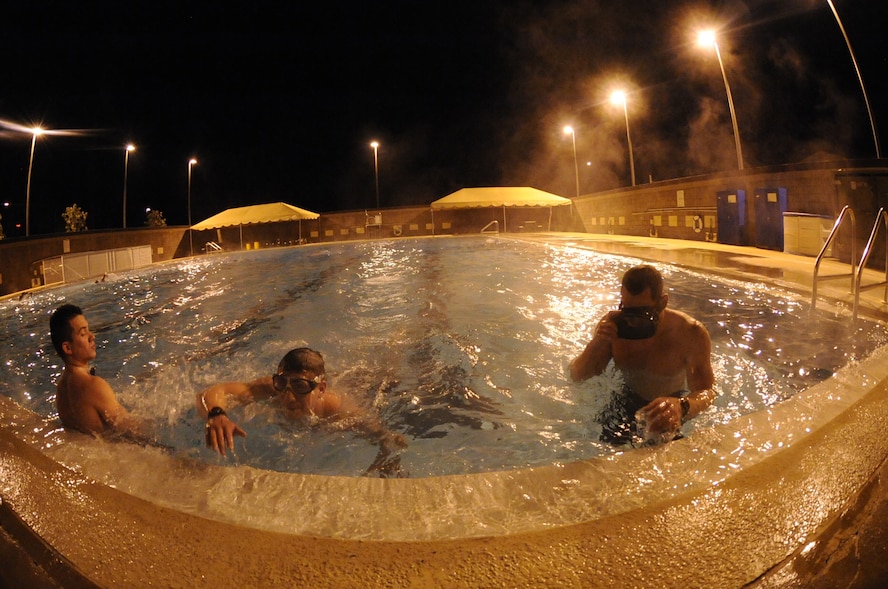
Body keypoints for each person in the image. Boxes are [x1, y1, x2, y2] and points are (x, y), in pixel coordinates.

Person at [569, 265, 716, 445]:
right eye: (627, 310)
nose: (633, 320)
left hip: (672, 403)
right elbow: (578, 376)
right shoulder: (616, 326)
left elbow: (706, 392)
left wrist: (682, 406)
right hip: (627, 397)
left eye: (643, 313)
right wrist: (600, 341)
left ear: (662, 303)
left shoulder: (690, 333)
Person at [197, 347, 406, 473]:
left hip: (363, 384)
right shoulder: (271, 388)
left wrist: (386, 460)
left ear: (321, 389)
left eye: (299, 387)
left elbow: (385, 436)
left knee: (386, 375)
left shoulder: (340, 410)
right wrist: (216, 414)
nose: (288, 396)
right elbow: (213, 392)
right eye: (281, 384)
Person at [49, 304, 142, 437]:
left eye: (88, 330)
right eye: (83, 333)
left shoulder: (61, 389)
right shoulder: (93, 386)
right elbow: (134, 431)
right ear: (67, 348)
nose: (92, 336)